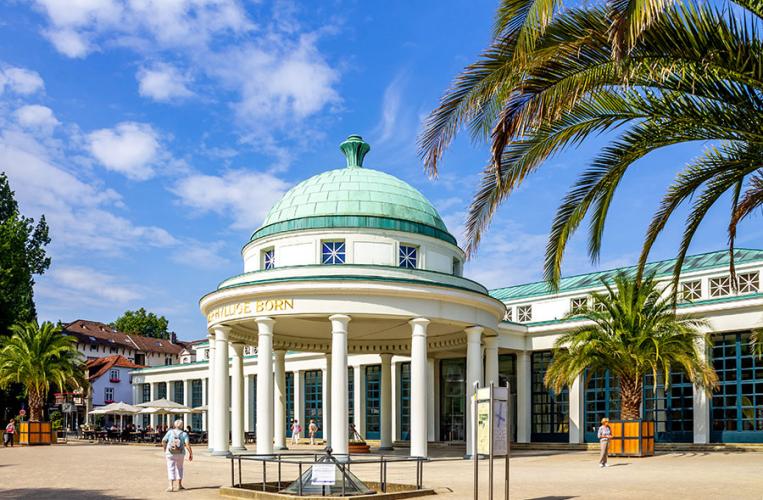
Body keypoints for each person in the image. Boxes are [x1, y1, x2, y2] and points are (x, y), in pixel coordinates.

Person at [162, 419, 193, 492]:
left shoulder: (170, 432)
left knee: (170, 468)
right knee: (180, 468)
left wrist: (165, 449)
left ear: (175, 425)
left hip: (170, 452)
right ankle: (179, 485)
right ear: (182, 426)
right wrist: (191, 453)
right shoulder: (184, 434)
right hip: (180, 453)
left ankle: (171, 486)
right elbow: (187, 444)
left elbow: (163, 441)